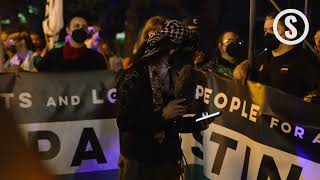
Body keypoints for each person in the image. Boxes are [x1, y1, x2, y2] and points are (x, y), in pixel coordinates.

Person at [116, 19, 213, 180]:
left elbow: (172, 124)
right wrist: (163, 115)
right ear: (172, 50)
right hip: (139, 164)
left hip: (167, 161)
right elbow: (125, 122)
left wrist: (195, 123)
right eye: (185, 53)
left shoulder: (175, 75)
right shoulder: (135, 74)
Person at [233, 12, 319, 99]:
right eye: (265, 30)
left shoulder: (304, 59)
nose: (268, 34)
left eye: (273, 30)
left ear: (288, 33)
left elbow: (315, 91)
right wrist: (243, 65)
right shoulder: (262, 58)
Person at [35, 12, 107, 72]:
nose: (80, 29)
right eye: (77, 26)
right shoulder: (53, 56)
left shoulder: (96, 58)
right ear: (68, 30)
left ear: (87, 31)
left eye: (84, 27)